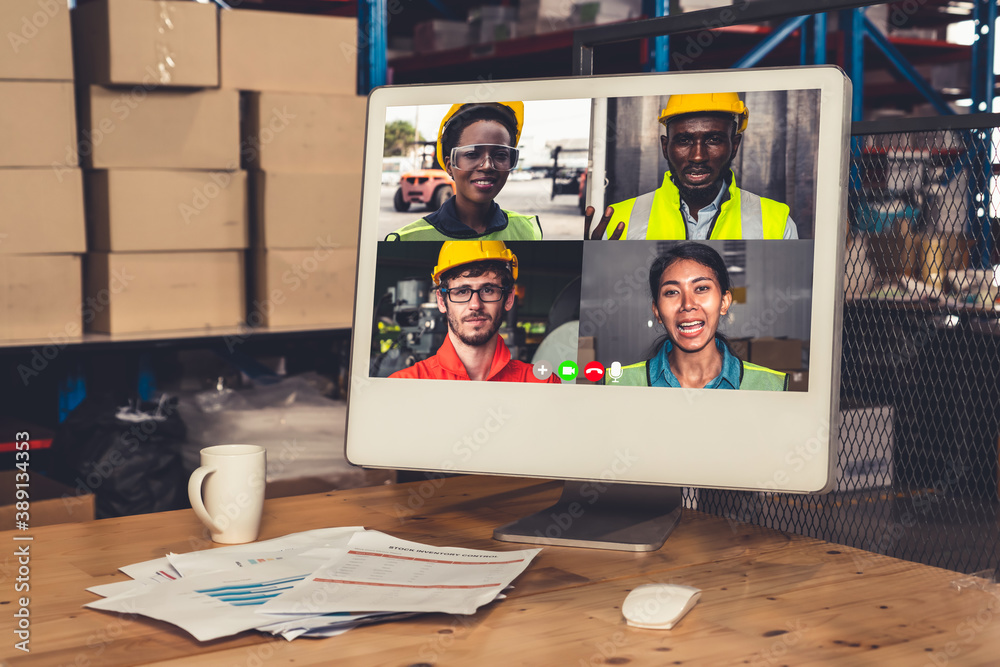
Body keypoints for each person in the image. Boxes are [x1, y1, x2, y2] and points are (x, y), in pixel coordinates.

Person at [585, 93, 798, 241]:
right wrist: (589, 264)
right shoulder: (617, 221)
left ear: (734, 146)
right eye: (684, 141)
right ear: (665, 147)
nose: (698, 157)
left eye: (713, 140)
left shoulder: (776, 222)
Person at [605, 242, 787, 390]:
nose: (688, 304)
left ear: (724, 302)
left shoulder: (772, 385)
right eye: (671, 292)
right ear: (657, 311)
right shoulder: (617, 382)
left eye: (701, 288)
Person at [390, 241, 558, 383]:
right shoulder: (405, 385)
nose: (475, 305)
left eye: (488, 290)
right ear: (441, 301)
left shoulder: (542, 384)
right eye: (462, 292)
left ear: (508, 298)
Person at [386, 102, 543, 241]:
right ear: (449, 165)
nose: (487, 166)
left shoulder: (528, 230)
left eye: (500, 155)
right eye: (472, 154)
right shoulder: (406, 239)